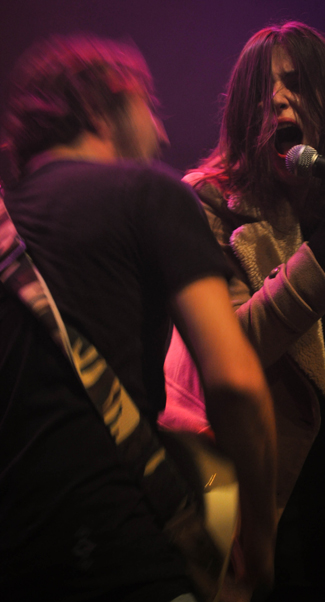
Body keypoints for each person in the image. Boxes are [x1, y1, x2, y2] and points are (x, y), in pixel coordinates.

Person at [0, 35, 277, 602]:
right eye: (149, 106)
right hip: (120, 547)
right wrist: (261, 540)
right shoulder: (148, 193)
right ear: (104, 108)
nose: (163, 132)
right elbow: (237, 384)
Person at [161, 21, 325, 602]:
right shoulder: (208, 207)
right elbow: (235, 346)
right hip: (265, 515)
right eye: (260, 90)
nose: (276, 100)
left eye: (296, 84)